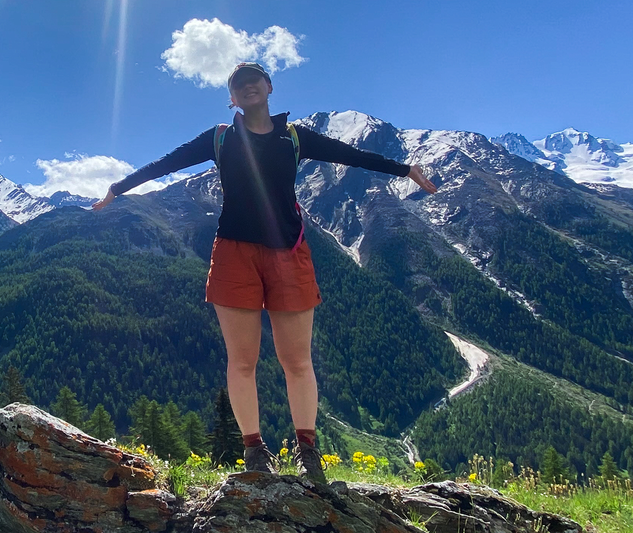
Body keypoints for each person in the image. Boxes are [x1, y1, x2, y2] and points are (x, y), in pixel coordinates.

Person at [93, 62, 438, 484]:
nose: (247, 86)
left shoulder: (294, 137)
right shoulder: (220, 138)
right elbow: (168, 163)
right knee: (242, 361)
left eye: (254, 79)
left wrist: (404, 169)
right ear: (232, 99)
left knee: (297, 360)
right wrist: (118, 188)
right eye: (238, 84)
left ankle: (308, 452)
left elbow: (350, 154)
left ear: (269, 87)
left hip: (288, 252)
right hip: (234, 253)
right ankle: (254, 451)